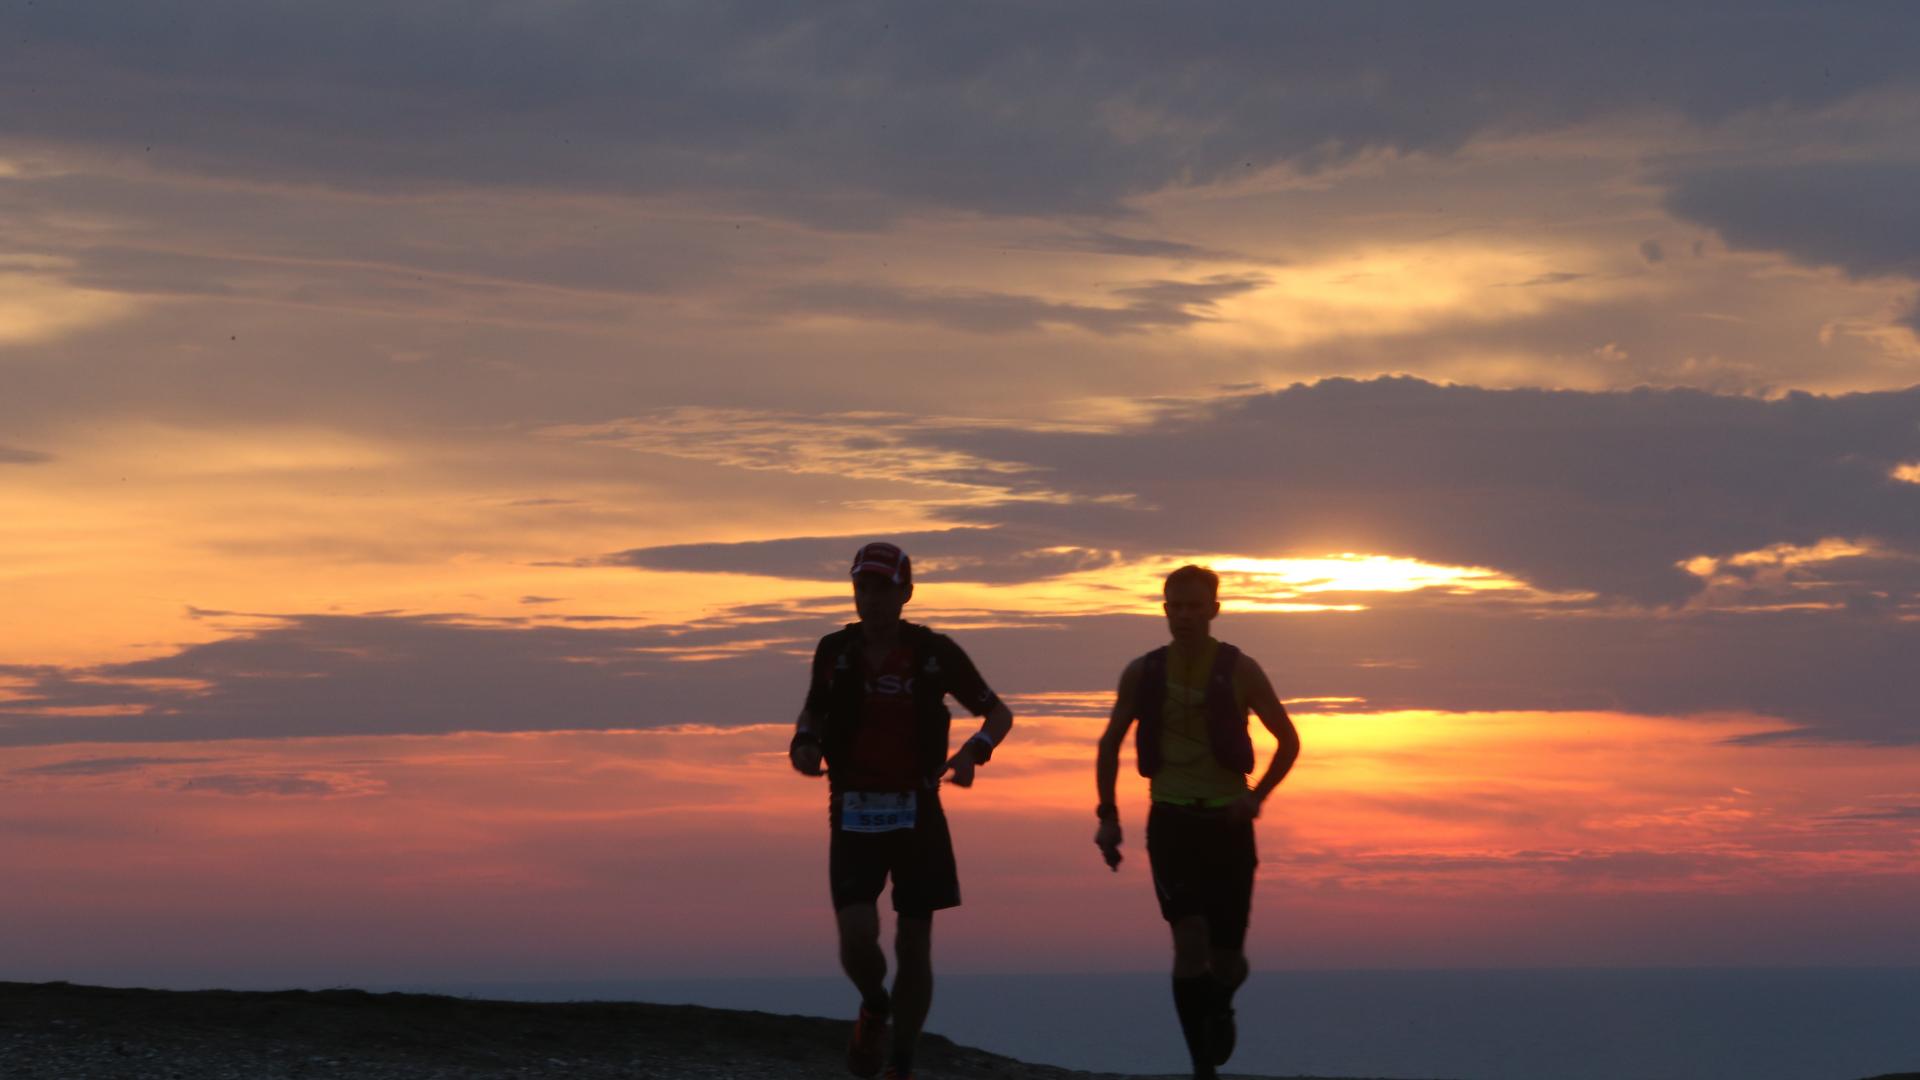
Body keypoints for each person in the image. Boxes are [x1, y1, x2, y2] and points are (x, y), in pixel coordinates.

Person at [789, 541, 1015, 1080]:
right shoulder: (834, 650)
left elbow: (997, 713)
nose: (871, 598)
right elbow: (814, 710)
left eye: (883, 588)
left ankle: (902, 1062)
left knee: (914, 941)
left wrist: (971, 753)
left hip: (917, 807)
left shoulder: (934, 652)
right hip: (852, 807)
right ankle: (875, 1005)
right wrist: (803, 741)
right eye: (863, 587)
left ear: (905, 593)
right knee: (856, 935)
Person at [1094, 564, 1301, 1080]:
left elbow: (1289, 740)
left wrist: (1258, 797)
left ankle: (1222, 1003)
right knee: (1188, 938)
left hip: (1228, 825)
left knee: (1228, 960)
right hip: (1170, 823)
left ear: (1214, 608)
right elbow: (1110, 744)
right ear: (1164, 610)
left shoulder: (1240, 669)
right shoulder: (1143, 672)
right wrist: (1108, 816)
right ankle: (1201, 1067)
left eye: (1194, 606)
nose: (1184, 615)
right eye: (1175, 606)